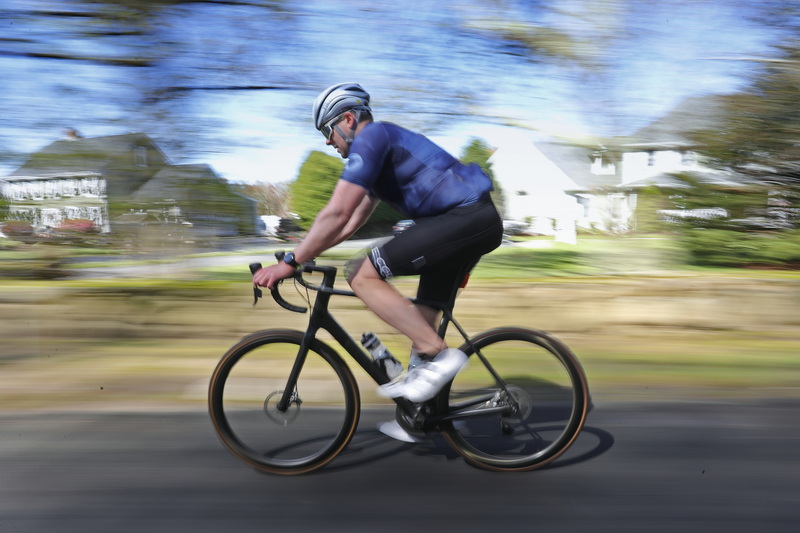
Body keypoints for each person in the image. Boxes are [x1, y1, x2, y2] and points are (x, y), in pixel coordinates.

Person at [253, 82, 503, 423]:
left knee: (360, 272)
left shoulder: (373, 138)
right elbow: (346, 226)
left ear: (348, 119)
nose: (328, 141)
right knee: (422, 322)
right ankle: (422, 419)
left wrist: (289, 262)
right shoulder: (378, 157)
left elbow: (336, 213)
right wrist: (302, 256)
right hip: (463, 223)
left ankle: (441, 356)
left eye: (327, 131)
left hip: (465, 217)